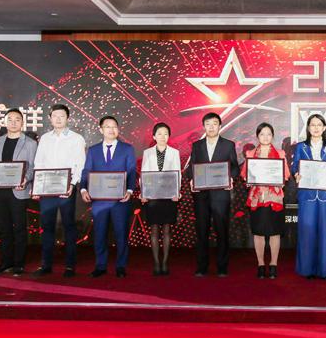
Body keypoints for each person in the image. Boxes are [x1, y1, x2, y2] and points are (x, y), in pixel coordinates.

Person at [32, 104, 86, 278]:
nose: (58, 119)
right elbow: (39, 163)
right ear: (50, 118)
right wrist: (38, 186)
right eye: (55, 115)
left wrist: (72, 185)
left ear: (68, 118)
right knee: (47, 226)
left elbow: (80, 164)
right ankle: (46, 264)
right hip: (47, 188)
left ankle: (70, 266)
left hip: (66, 188)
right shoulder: (45, 138)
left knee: (68, 226)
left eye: (62, 116)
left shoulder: (77, 139)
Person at [80, 116, 136, 278]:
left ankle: (121, 266)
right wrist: (83, 189)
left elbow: (131, 171)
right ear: (101, 129)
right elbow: (87, 171)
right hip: (99, 200)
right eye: (107, 126)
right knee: (99, 233)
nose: (111, 130)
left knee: (121, 233)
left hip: (120, 199)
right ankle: (100, 265)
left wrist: (130, 190)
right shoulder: (93, 150)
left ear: (118, 129)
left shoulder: (127, 149)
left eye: (114, 126)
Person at [0, 108, 37, 277]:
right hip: (0, 192)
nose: (13, 123)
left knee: (20, 228)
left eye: (17, 119)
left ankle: (19, 264)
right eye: (10, 120)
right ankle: (6, 263)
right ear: (5, 122)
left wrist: (25, 180)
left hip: (19, 191)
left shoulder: (30, 143)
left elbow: (33, 167)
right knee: (3, 229)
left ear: (22, 122)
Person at [187, 112, 239, 277]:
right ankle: (202, 267)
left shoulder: (228, 145)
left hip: (221, 195)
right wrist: (191, 180)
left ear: (220, 126)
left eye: (214, 123)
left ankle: (222, 267)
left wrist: (230, 178)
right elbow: (191, 167)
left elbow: (235, 167)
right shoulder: (197, 145)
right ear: (204, 126)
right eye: (208, 124)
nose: (211, 127)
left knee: (222, 231)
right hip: (201, 195)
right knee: (201, 231)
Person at [291, 114, 326, 279]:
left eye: (319, 125)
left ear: (324, 128)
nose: (316, 128)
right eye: (312, 125)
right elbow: (295, 165)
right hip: (307, 195)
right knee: (307, 232)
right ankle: (307, 269)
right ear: (308, 128)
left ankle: (325, 269)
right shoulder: (301, 147)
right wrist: (296, 174)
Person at [240, 123, 290, 279]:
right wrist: (248, 180)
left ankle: (273, 264)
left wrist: (281, 180)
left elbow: (285, 175)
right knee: (259, 233)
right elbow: (245, 175)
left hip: (274, 197)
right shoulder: (250, 153)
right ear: (257, 136)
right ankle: (261, 264)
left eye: (269, 134)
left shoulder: (280, 153)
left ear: (273, 136)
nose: (265, 137)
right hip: (257, 198)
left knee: (275, 232)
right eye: (262, 134)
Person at [140, 122, 181, 276]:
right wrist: (144, 193)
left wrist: (176, 191)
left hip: (169, 195)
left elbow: (178, 173)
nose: (162, 136)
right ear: (154, 136)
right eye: (159, 133)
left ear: (169, 136)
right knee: (154, 229)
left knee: (167, 229)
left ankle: (165, 262)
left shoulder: (174, 153)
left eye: (165, 133)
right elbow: (144, 174)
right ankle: (156, 263)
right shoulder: (147, 153)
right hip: (152, 195)